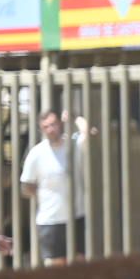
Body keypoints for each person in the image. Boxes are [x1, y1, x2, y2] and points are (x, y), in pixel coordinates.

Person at [20, 110, 93, 266]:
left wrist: (75, 117)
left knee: (80, 265)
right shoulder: (37, 153)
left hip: (76, 216)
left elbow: (85, 131)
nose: (51, 129)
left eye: (53, 124)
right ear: (42, 130)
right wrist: (44, 195)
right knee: (56, 269)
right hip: (50, 220)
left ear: (60, 124)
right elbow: (26, 186)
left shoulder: (74, 146)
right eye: (46, 126)